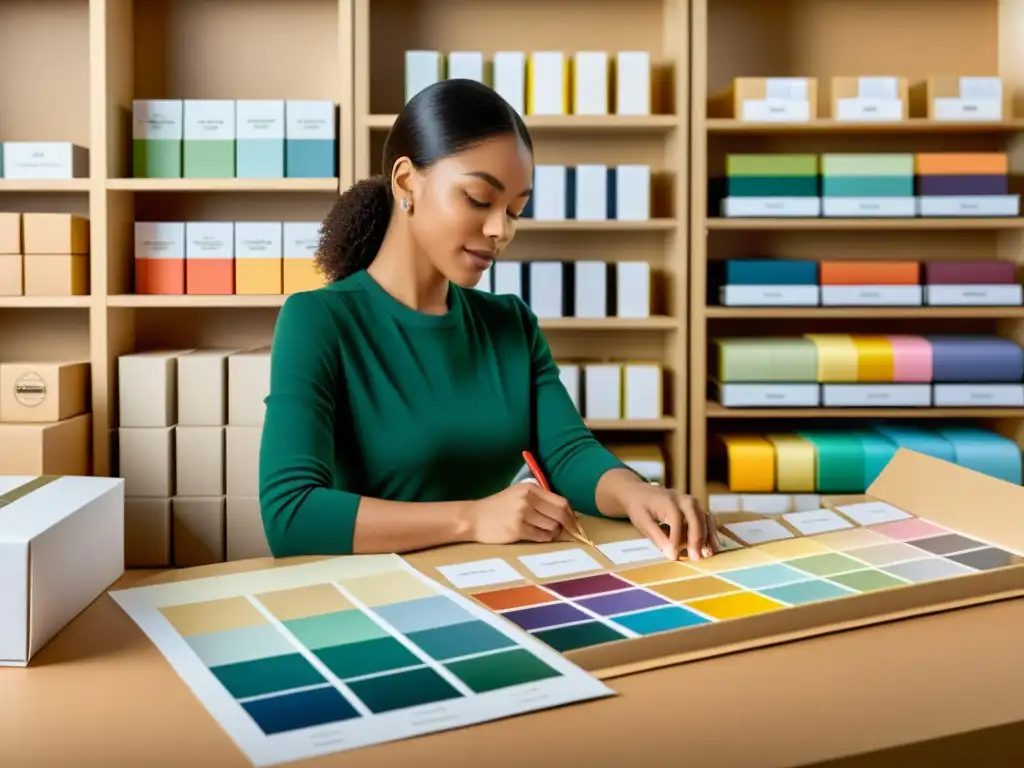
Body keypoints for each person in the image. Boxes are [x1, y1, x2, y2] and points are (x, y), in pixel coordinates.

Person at [258, 78, 719, 562]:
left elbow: (567, 453)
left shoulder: (510, 322)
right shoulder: (319, 320)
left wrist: (636, 493)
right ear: (405, 182)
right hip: (380, 596)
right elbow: (291, 515)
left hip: (496, 585)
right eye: (479, 198)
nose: (500, 230)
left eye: (515, 210)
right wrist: (473, 518)